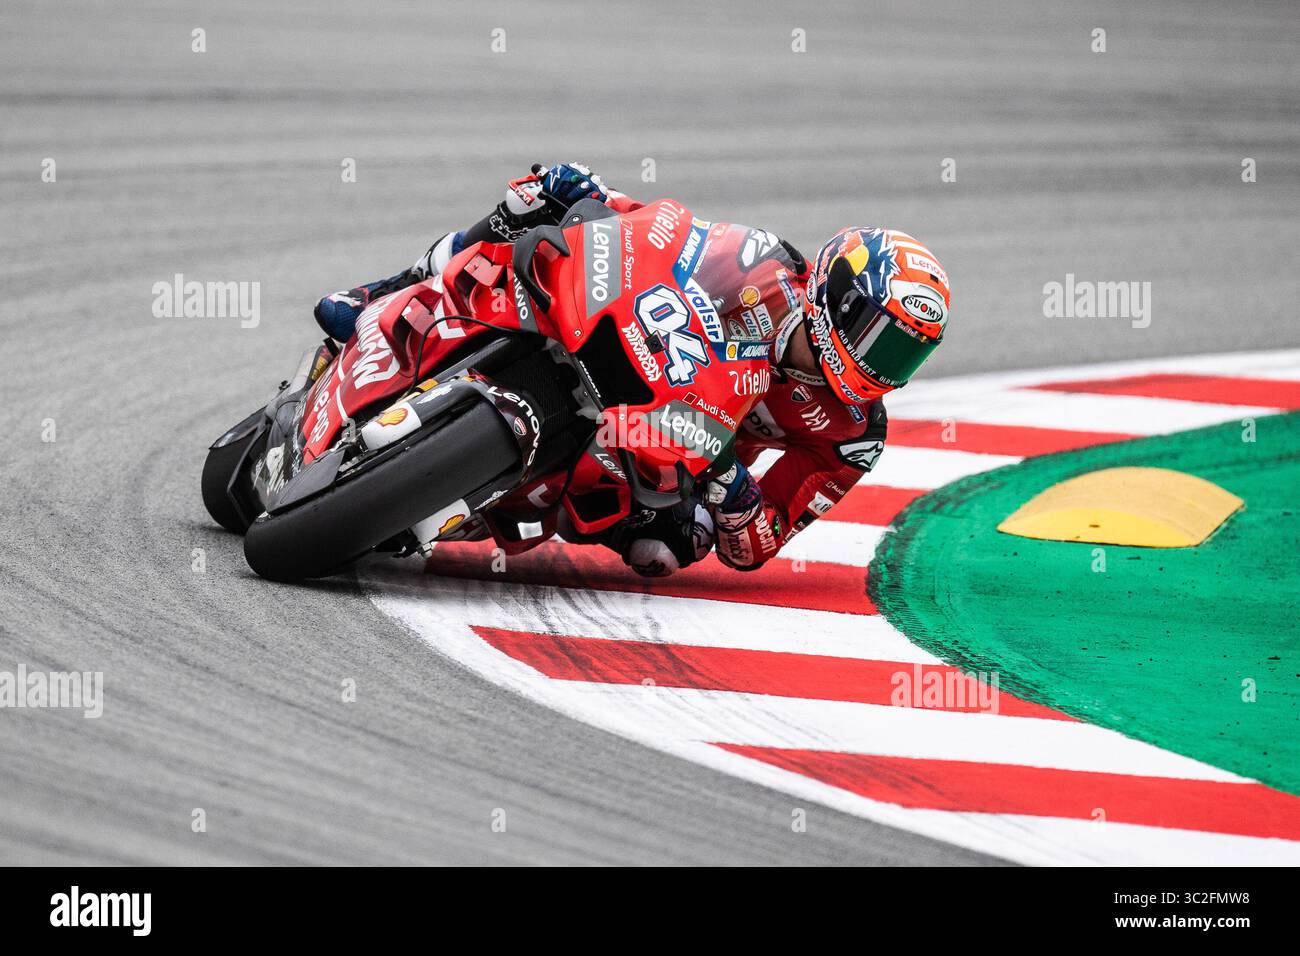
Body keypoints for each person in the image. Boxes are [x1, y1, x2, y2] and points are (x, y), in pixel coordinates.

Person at [313, 163, 950, 575]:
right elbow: (671, 235)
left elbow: (759, 544)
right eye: (885, 338)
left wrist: (732, 487)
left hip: (676, 458)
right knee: (546, 201)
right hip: (636, 348)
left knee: (672, 548)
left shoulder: (853, 435)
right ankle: (382, 291)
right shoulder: (766, 263)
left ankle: (475, 501)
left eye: (907, 354)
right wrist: (600, 197)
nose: (886, 365)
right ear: (840, 297)